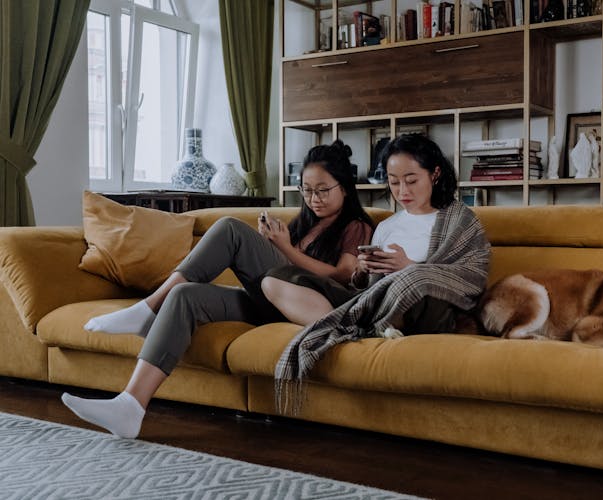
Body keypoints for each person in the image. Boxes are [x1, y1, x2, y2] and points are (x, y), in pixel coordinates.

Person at [61, 140, 374, 438]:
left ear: (344, 189)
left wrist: (286, 249)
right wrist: (274, 242)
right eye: (306, 190)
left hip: (303, 306)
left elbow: (341, 277)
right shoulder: (302, 224)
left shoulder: (356, 226)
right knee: (184, 296)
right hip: (268, 302)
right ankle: (131, 406)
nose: (314, 198)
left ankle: (148, 308)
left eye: (323, 190)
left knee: (229, 229)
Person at [266, 134, 491, 414]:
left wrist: (408, 268)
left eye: (411, 180)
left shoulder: (460, 220)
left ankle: (365, 327)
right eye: (394, 182)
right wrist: (362, 271)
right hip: (377, 304)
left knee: (415, 280)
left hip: (429, 309)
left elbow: (473, 277)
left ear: (434, 174)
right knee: (280, 276)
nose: (402, 190)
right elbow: (362, 289)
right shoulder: (387, 226)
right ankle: (367, 327)